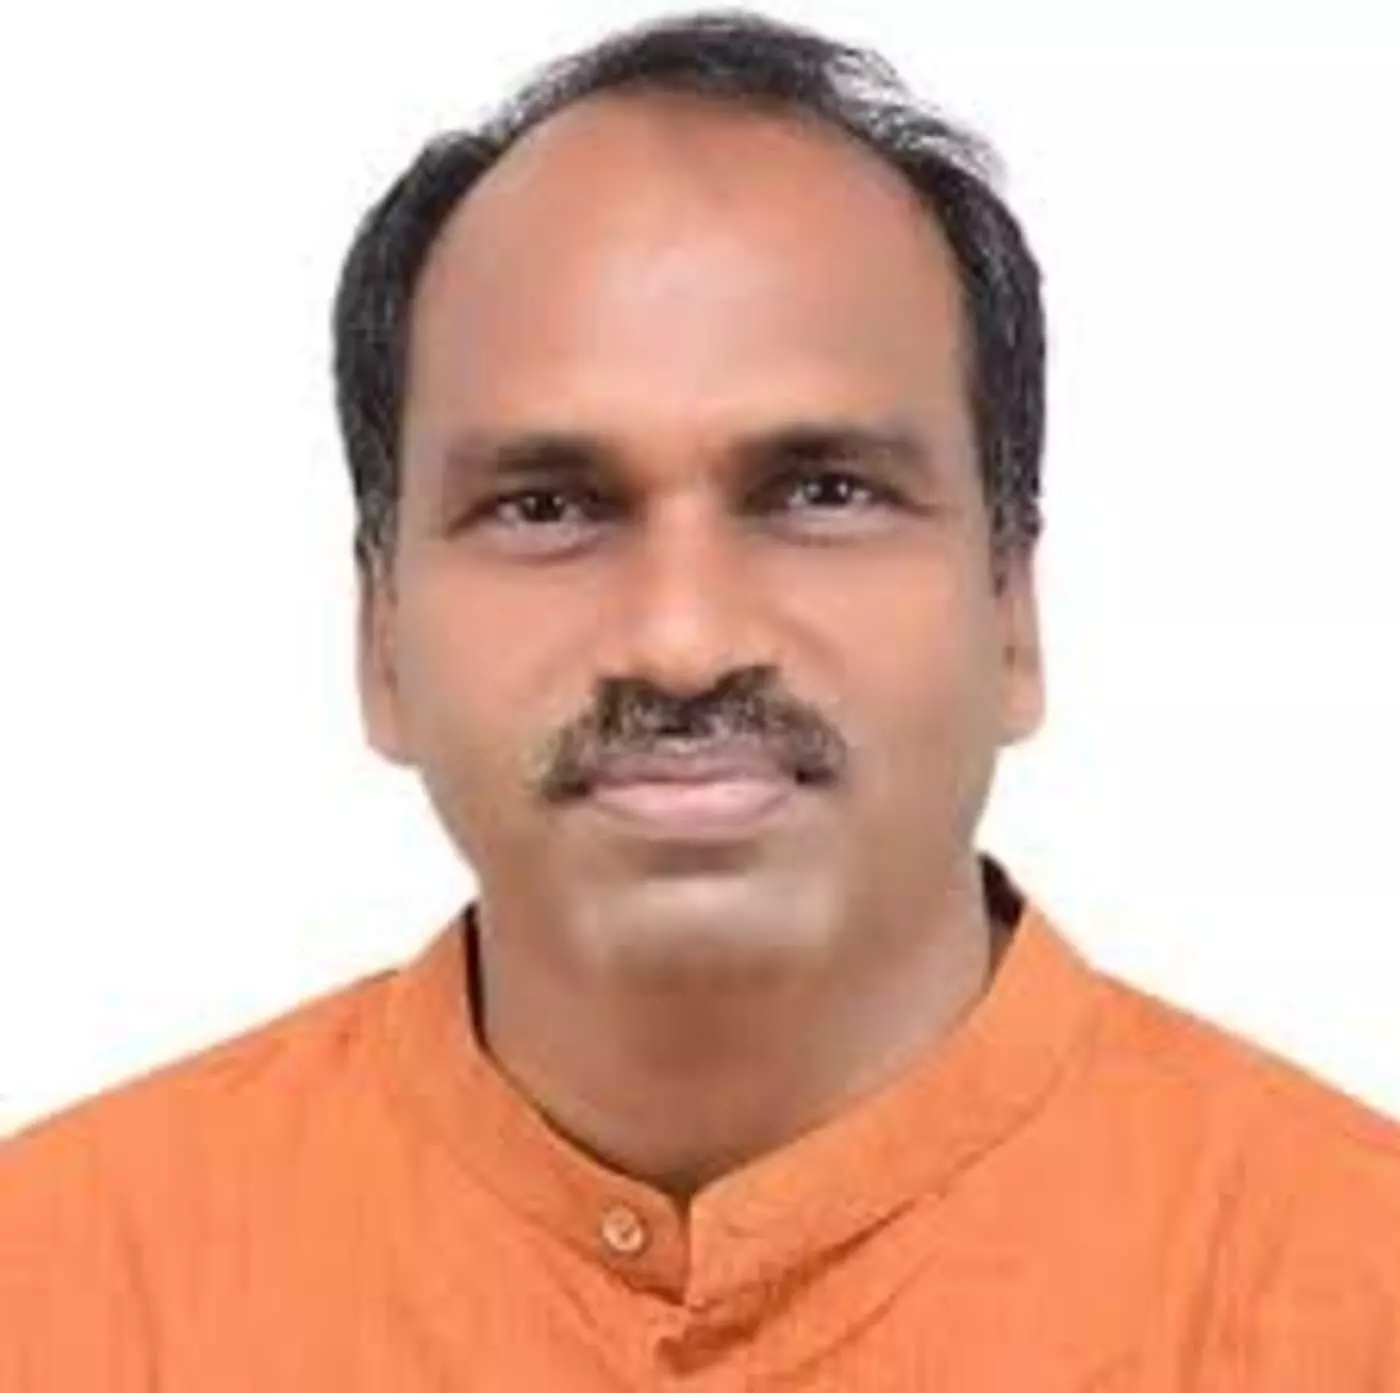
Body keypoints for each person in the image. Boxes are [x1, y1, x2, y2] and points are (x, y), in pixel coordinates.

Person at [4, 9, 1398, 1388]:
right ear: (380, 640)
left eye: (823, 493)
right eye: (546, 506)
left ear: (1013, 610)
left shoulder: (1351, 1295)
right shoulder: (61, 1293)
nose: (681, 639)